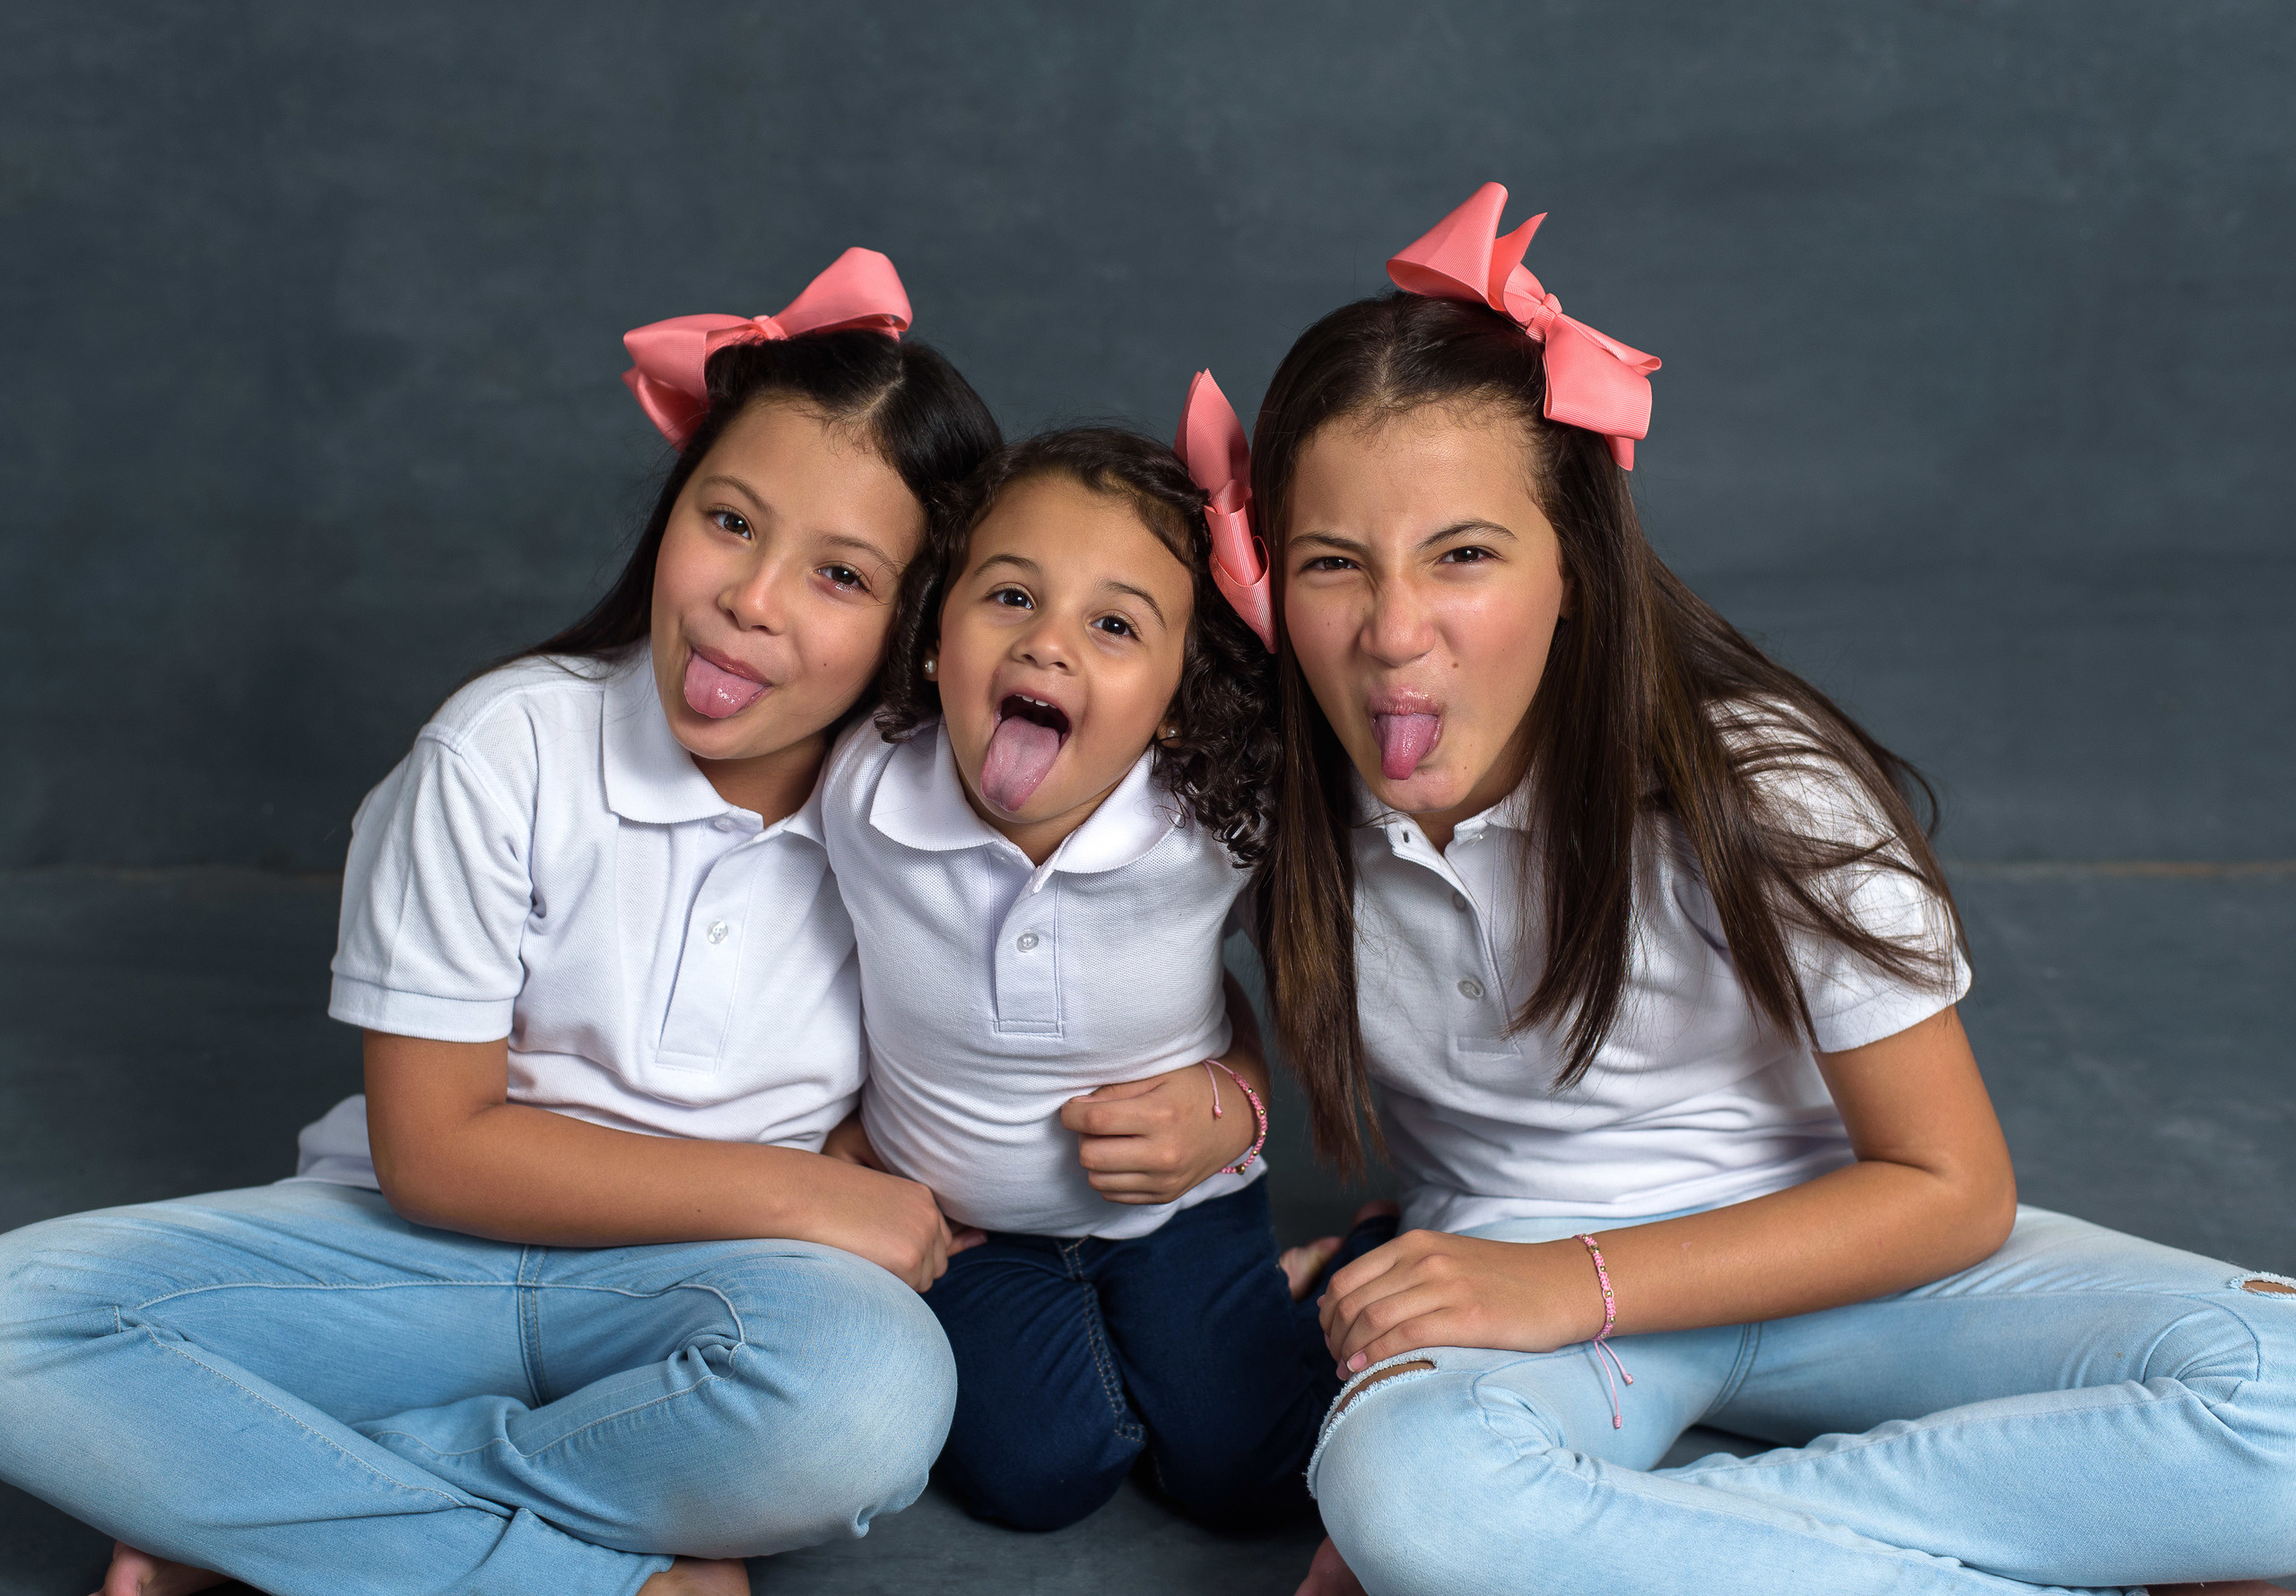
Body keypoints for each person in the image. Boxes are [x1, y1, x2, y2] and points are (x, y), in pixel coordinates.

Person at [1246, 185, 2296, 1596]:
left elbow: (1952, 1187)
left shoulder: (1756, 784)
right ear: (1272, 578)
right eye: (1331, 566)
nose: (1392, 631)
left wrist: (1578, 1291)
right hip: (1520, 1304)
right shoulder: (1273, 788)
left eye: (1465, 556)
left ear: (1577, 569)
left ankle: (1653, 1537)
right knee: (1408, 1490)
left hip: (1845, 1274)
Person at [0, 248, 1002, 1596]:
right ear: (674, 511)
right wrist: (815, 1190)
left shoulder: (924, 815)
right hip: (408, 1263)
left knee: (871, 1400)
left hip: (694, 1297)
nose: (751, 599)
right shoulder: (502, 750)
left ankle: (273, 1505)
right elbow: (434, 1151)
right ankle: (599, 1577)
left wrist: (1208, 1093)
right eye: (730, 520)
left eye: (840, 576)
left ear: (914, 625)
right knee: (14, 1322)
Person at [817, 383, 1387, 1533]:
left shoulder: (1215, 824)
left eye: (1115, 625)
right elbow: (785, 965)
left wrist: (1233, 1103)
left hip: (1185, 1204)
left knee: (1252, 1477)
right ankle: (1168, 1359)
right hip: (966, 1224)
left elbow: (1276, 977)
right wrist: (827, 1138)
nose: (1047, 640)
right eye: (1011, 595)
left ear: (1181, 698)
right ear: (935, 635)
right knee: (1040, 1474)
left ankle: (1342, 1265)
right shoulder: (858, 794)